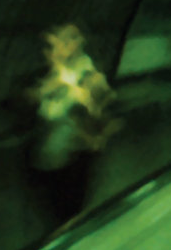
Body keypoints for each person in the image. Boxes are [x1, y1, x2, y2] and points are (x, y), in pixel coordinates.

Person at [29, 22, 117, 229]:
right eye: (50, 46)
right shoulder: (56, 74)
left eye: (57, 44)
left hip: (74, 156)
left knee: (69, 211)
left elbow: (98, 103)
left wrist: (80, 97)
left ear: (74, 44)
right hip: (52, 158)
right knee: (58, 211)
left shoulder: (86, 74)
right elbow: (40, 105)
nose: (51, 51)